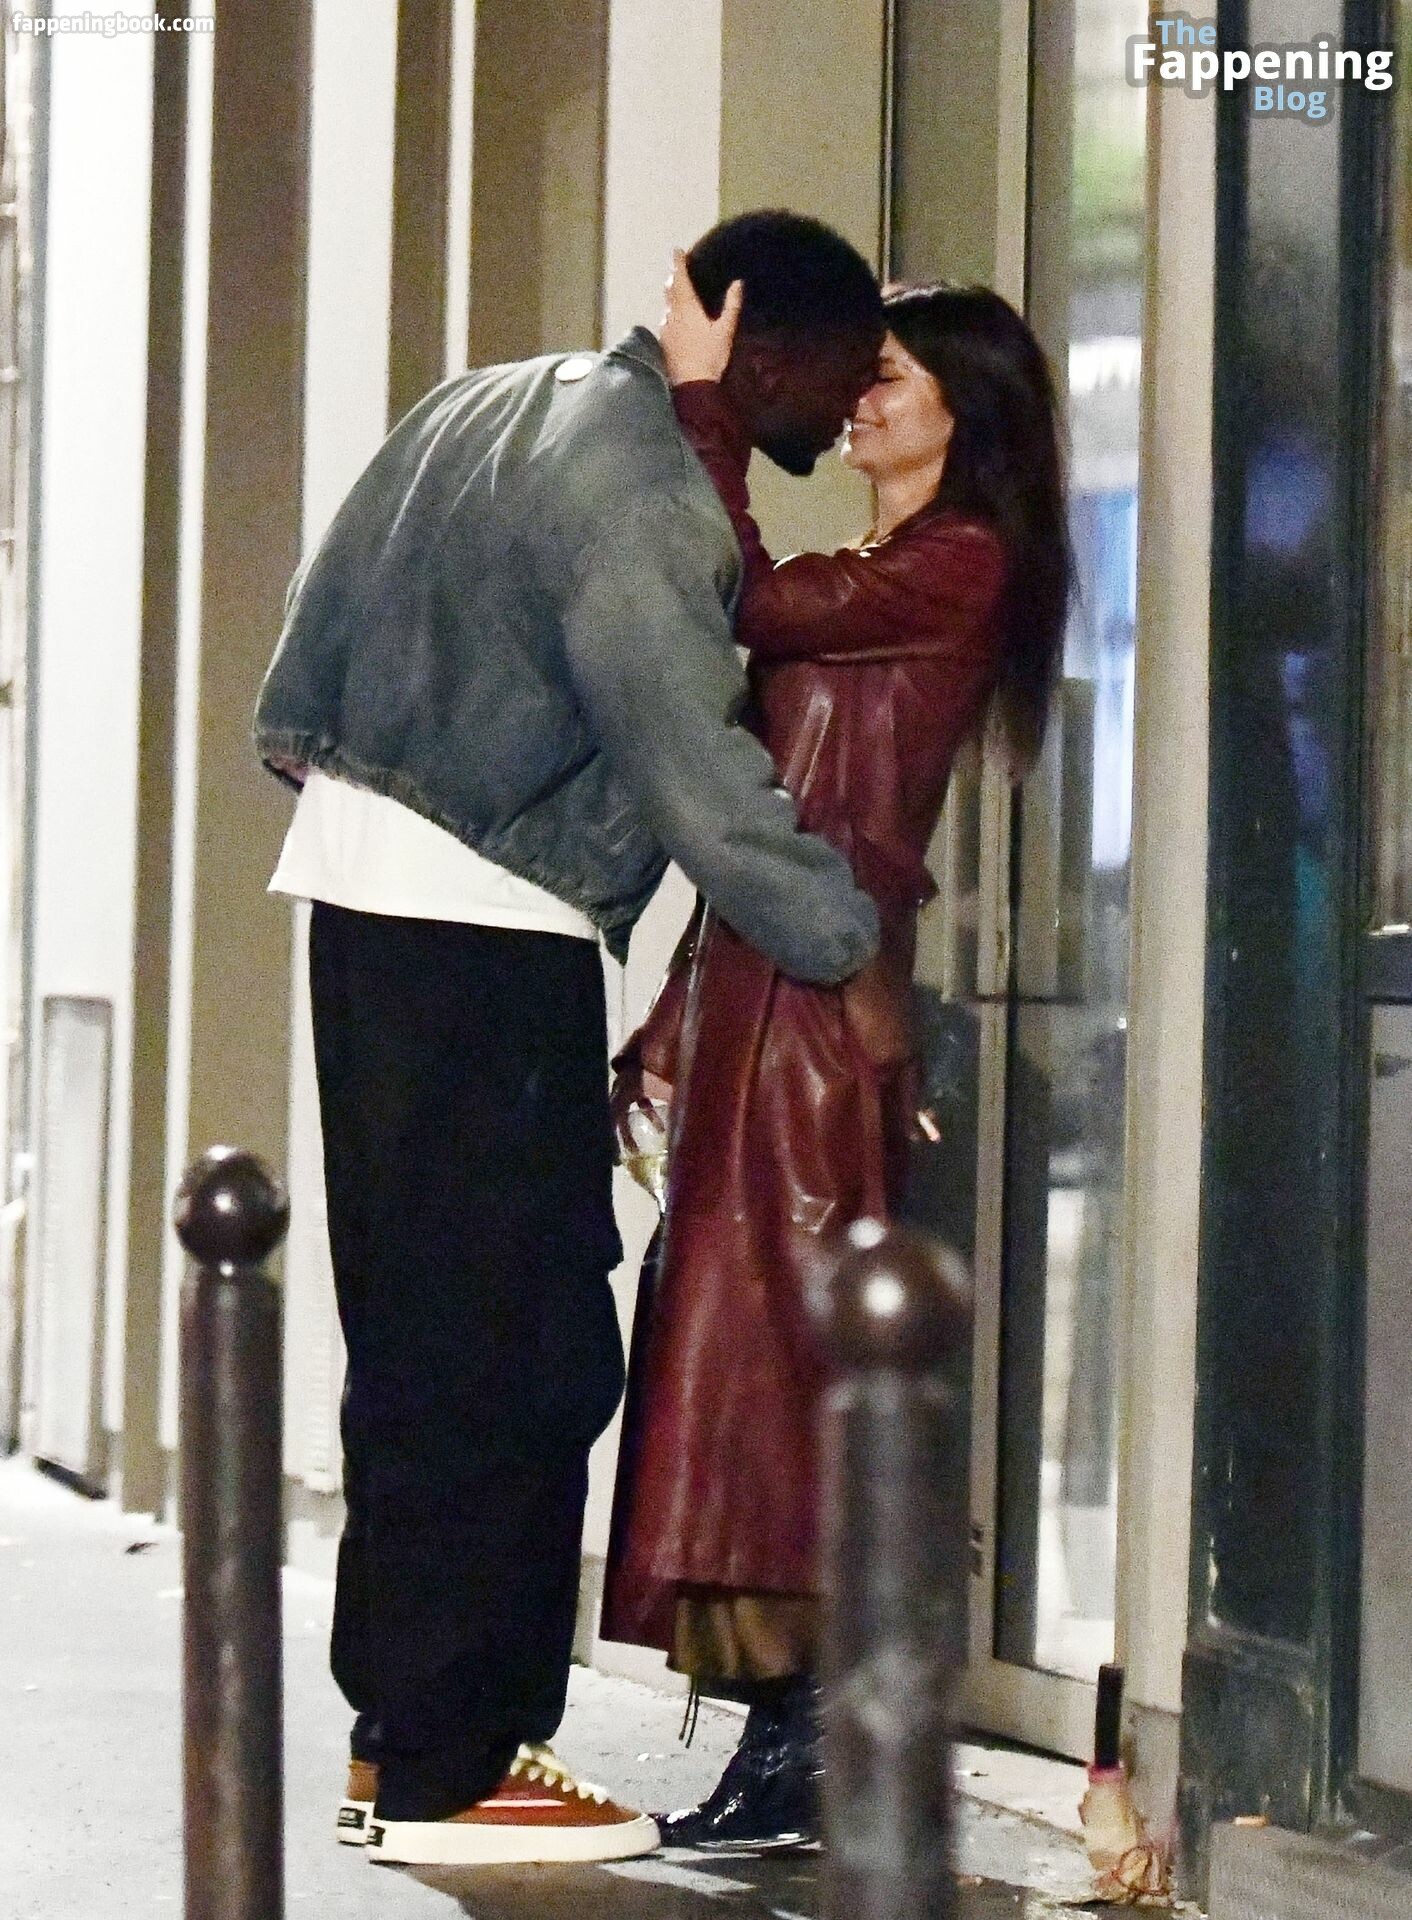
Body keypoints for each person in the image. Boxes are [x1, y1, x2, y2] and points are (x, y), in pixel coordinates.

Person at [252, 211, 888, 1870]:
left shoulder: (489, 397)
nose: (850, 404)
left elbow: (309, 632)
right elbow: (701, 779)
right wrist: (846, 944)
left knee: (419, 1345)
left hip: (361, 896)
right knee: (522, 1355)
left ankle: (404, 1740)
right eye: (843, 369)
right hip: (490, 925)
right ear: (763, 348)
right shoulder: (648, 492)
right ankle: (459, 1767)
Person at [603, 265, 1072, 1851]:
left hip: (818, 1001)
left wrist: (703, 408)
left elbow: (746, 606)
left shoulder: (959, 562)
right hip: (767, 984)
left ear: (966, 412)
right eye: (860, 374)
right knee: (737, 1360)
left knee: (778, 1365)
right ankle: (787, 1727)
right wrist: (675, 1013)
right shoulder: (894, 565)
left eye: (891, 378)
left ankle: (814, 1730)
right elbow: (763, 806)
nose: (860, 401)